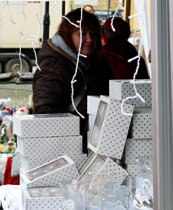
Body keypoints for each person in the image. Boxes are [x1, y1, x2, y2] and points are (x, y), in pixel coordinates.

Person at [33, 9, 114, 141]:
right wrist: (88, 126)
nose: (89, 39)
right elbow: (46, 115)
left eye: (93, 34)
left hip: (98, 144)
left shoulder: (98, 63)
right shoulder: (54, 66)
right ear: (67, 36)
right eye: (82, 34)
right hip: (70, 147)